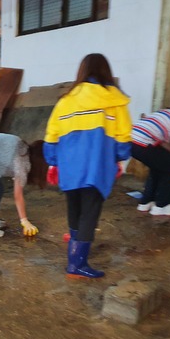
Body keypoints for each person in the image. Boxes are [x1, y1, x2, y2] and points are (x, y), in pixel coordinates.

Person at [44, 53, 132, 279]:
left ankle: (75, 257)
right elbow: (123, 135)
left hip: (69, 165)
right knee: (89, 213)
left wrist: (53, 162)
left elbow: (51, 134)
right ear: (105, 71)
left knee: (75, 209)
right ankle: (77, 263)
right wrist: (120, 158)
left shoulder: (66, 100)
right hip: (96, 165)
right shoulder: (114, 100)